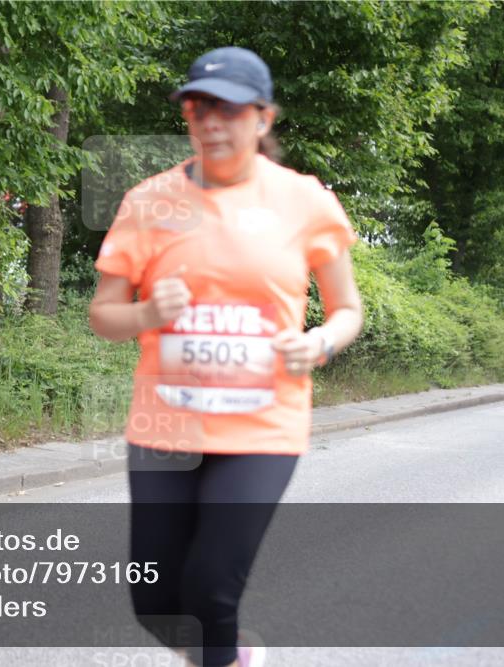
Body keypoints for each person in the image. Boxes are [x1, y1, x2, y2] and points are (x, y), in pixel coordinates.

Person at [88, 47, 364, 667]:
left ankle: (218, 649)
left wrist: (318, 341)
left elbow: (348, 310)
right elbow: (104, 316)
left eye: (228, 108)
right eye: (197, 106)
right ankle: (225, 654)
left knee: (211, 588)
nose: (210, 121)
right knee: (155, 603)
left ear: (263, 118)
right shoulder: (149, 201)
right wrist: (148, 315)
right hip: (167, 424)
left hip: (263, 425)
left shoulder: (304, 201)